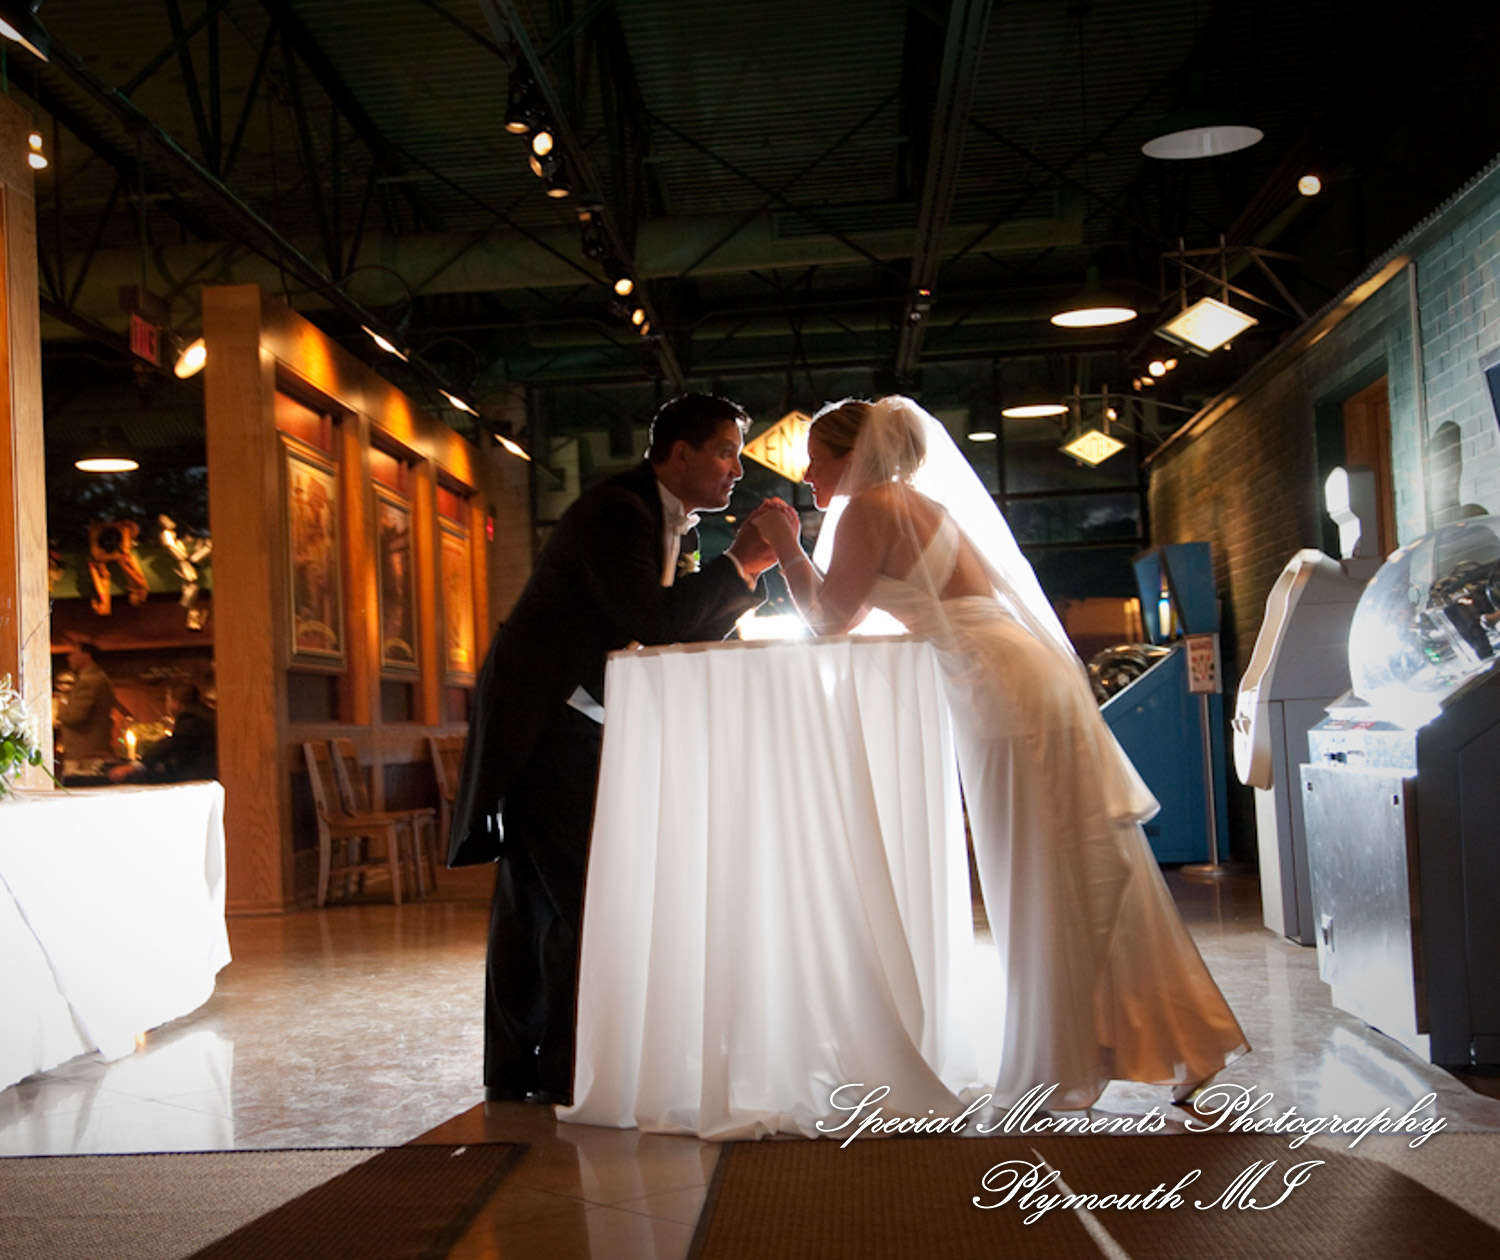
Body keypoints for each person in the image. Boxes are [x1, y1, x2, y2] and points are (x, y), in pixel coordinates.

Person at [753, 396, 1248, 1109]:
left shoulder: (871, 507)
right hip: (1022, 678)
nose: (809, 480)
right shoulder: (923, 506)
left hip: (1000, 693)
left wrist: (790, 547)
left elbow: (831, 620)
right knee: (1081, 861)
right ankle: (1164, 1043)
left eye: (817, 463)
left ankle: (1067, 1061)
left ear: (849, 457)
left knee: (1038, 870)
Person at [448, 393, 782, 1105]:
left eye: (738, 452)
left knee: (539, 899)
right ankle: (569, 1071)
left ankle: (528, 1073)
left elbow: (678, 633)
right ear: (680, 452)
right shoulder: (617, 512)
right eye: (725, 450)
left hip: (580, 722)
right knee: (579, 899)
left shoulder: (675, 526)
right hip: (543, 724)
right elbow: (651, 622)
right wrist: (740, 567)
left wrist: (736, 576)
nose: (735, 467)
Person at [107, 682, 217, 784]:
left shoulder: (191, 718)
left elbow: (172, 744)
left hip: (199, 777)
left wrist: (135, 766)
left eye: (167, 700)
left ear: (175, 703)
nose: (167, 705)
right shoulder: (203, 712)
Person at [56, 641, 117, 771]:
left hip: (83, 753)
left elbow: (75, 717)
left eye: (73, 654)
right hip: (94, 749)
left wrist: (60, 709)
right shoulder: (101, 678)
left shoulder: (88, 682)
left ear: (86, 655)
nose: (69, 658)